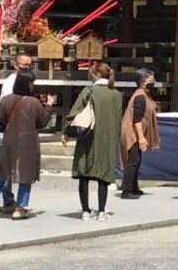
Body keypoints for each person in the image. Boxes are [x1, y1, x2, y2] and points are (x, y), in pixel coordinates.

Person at [65, 62, 123, 220]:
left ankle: (85, 211)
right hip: (108, 139)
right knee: (103, 175)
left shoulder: (89, 90)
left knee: (84, 173)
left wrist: (67, 132)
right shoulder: (116, 94)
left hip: (87, 137)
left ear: (96, 74)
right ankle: (102, 211)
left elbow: (75, 113)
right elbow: (119, 118)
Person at [0, 69, 46, 219]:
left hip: (8, 140)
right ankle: (20, 208)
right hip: (27, 141)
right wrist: (49, 107)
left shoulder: (5, 100)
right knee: (25, 175)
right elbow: (42, 122)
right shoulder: (34, 102)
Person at [119, 67, 160, 201]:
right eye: (150, 80)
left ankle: (133, 187)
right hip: (133, 132)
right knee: (133, 161)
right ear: (142, 81)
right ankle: (126, 189)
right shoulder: (140, 97)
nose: (153, 82)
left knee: (136, 160)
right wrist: (141, 137)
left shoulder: (145, 94)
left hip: (137, 131)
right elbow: (137, 119)